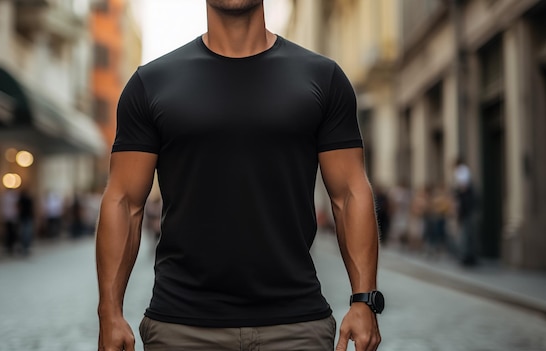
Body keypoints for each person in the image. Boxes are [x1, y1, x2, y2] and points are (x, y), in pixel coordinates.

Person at [96, 2, 382, 351]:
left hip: (296, 326)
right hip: (182, 328)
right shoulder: (150, 84)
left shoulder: (323, 78)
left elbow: (350, 192)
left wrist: (364, 301)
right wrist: (109, 312)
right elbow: (124, 202)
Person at [1, 188, 19, 255]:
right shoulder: (13, 196)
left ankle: (9, 246)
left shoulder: (6, 196)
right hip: (11, 217)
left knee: (9, 232)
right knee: (11, 232)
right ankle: (10, 245)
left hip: (8, 217)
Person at [17, 188, 35, 256]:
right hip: (27, 217)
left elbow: (18, 208)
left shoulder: (21, 199)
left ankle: (24, 246)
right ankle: (26, 246)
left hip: (24, 217)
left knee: (24, 232)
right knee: (26, 232)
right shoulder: (28, 199)